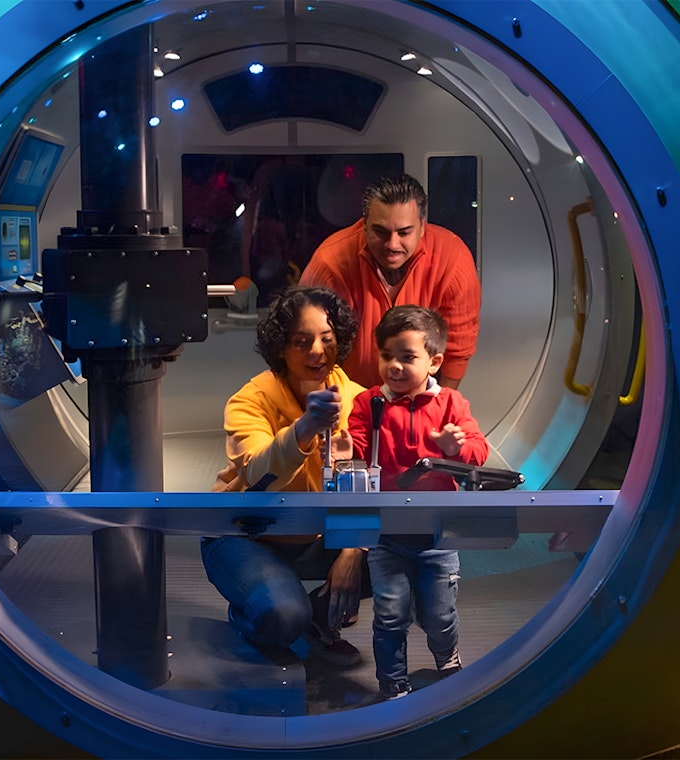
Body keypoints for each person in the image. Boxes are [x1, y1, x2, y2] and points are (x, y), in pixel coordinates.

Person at [202, 285, 370, 665]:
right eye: (302, 341)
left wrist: (353, 548)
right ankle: (258, 612)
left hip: (314, 537)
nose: (317, 351)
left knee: (413, 561)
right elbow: (260, 474)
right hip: (246, 533)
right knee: (281, 617)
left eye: (327, 339)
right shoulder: (250, 400)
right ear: (280, 347)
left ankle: (317, 614)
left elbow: (376, 486)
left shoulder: (358, 399)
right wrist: (305, 428)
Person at [346, 305, 489, 699]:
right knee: (390, 615)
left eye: (407, 357)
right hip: (386, 533)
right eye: (386, 355)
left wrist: (454, 450)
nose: (394, 366)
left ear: (435, 361)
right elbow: (356, 447)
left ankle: (448, 660)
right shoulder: (368, 403)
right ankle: (392, 683)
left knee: (439, 615)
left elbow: (479, 452)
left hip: (438, 535)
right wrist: (344, 446)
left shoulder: (452, 406)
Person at [299, 173, 481, 390]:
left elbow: (458, 349)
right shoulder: (330, 263)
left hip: (421, 402)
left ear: (422, 226)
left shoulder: (453, 260)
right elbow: (304, 346)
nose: (392, 245)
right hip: (347, 400)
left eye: (404, 232)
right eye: (380, 231)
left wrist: (439, 407)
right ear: (364, 224)